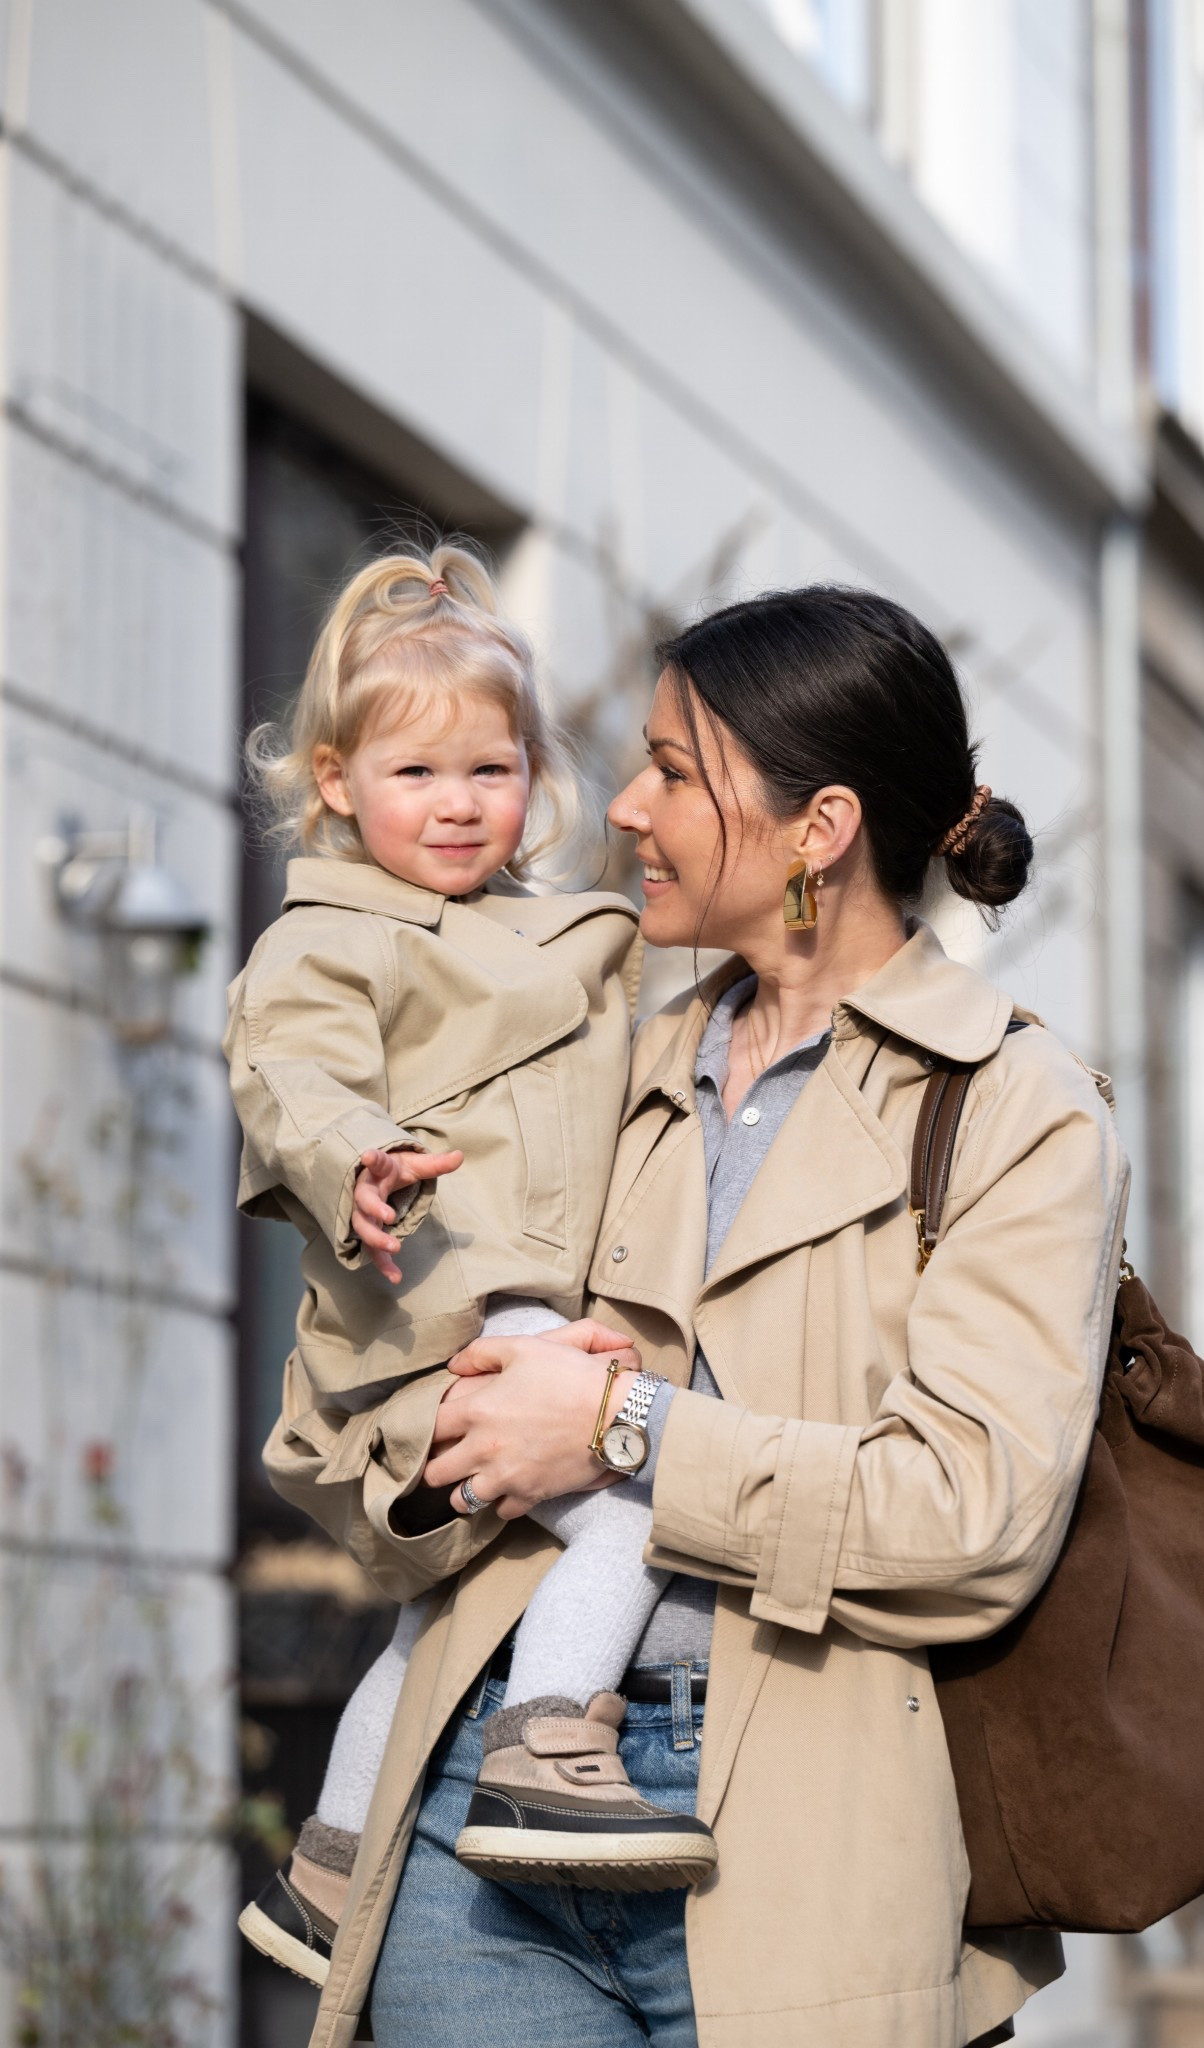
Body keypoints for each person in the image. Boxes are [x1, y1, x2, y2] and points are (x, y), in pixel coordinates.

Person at [267, 585, 1130, 2048]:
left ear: (819, 828)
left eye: (672, 770)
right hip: (479, 1810)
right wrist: (433, 1428)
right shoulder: (599, 1057)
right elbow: (366, 1414)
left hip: (811, 1838)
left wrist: (617, 1426)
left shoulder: (1014, 1110)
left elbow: (969, 1516)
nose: (617, 808)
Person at [225, 543, 719, 1990]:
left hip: (527, 1282)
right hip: (436, 1286)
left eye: (487, 773)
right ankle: (549, 1744)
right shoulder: (328, 935)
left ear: (532, 777)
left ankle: (327, 1867)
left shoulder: (562, 931)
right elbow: (293, 1081)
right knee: (632, 1511)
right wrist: (355, 1160)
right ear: (333, 782)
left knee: (441, 1610)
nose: (456, 806)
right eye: (415, 775)